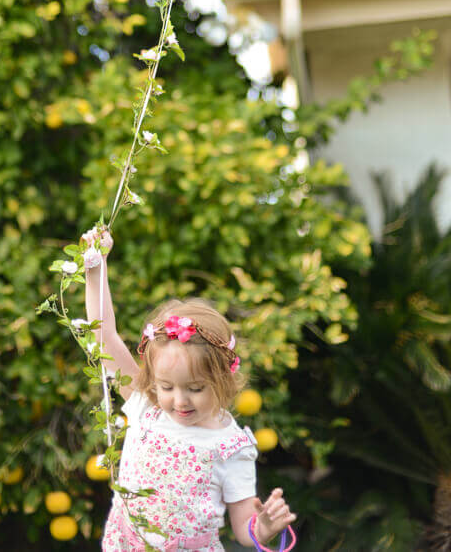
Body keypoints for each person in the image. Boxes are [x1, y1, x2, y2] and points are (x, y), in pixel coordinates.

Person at [84, 231, 297, 550]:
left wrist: (262, 526)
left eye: (196, 388)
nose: (179, 400)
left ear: (223, 378)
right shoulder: (147, 406)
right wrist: (95, 269)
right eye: (166, 386)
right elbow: (105, 337)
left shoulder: (231, 444)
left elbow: (243, 528)